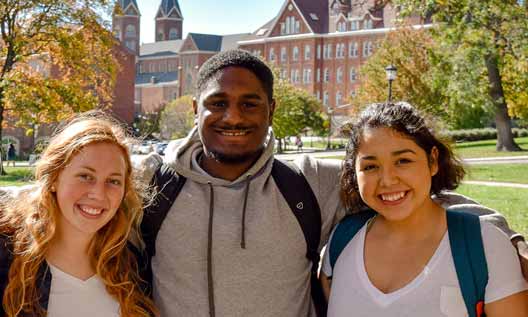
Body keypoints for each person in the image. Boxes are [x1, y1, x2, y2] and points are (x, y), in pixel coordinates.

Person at [134, 49, 528, 317]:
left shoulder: (306, 182)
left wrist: (508, 239)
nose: (233, 117)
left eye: (250, 103)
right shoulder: (152, 183)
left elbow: (406, 193)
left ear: (271, 109)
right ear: (194, 109)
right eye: (217, 103)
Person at [320, 102, 528, 316]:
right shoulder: (341, 241)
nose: (388, 180)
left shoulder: (486, 245)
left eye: (403, 160)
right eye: (370, 166)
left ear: (433, 161)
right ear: (354, 171)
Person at [0, 111, 157, 317]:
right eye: (85, 176)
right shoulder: (7, 257)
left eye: (113, 181)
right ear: (54, 178)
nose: (98, 193)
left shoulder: (130, 265)